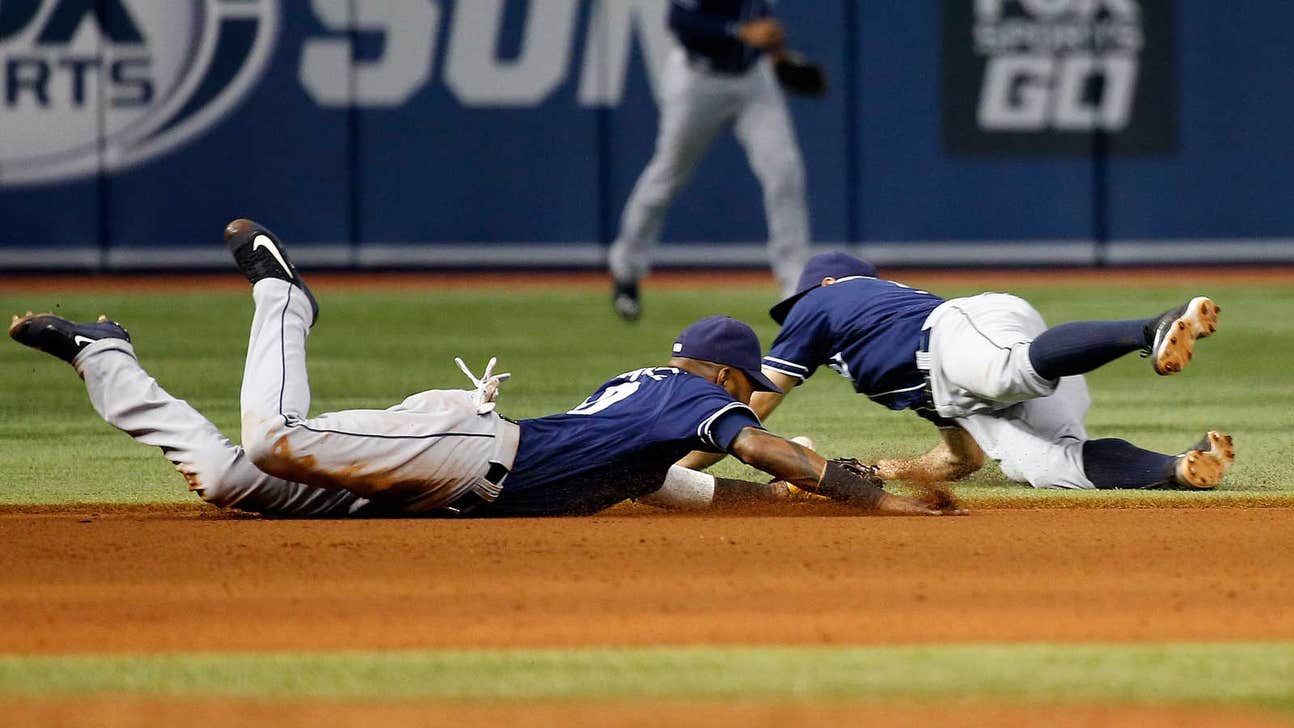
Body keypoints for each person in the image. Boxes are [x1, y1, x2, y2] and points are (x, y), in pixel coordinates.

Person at [8, 221, 959, 518]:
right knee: (275, 440)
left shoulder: (637, 419)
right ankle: (283, 299)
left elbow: (692, 487)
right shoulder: (686, 398)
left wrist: (798, 496)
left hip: (450, 473)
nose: (749, 406)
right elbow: (756, 450)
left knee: (226, 479)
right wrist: (866, 495)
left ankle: (104, 356)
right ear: (722, 378)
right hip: (463, 454)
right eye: (745, 392)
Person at [678, 251, 1236, 490]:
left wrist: (676, 469)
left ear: (825, 285)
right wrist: (878, 470)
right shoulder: (875, 342)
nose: (792, 314)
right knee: (1042, 464)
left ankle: (1149, 328)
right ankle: (1177, 467)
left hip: (958, 334)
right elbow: (961, 459)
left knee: (1008, 371)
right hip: (957, 382)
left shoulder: (822, 303)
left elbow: (749, 410)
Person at [609, 0, 811, 321]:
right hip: (698, 79)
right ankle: (626, 271)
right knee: (665, 178)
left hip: (753, 80)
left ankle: (794, 286)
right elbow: (679, 21)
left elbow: (758, 18)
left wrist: (777, 52)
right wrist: (738, 31)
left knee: (784, 173)